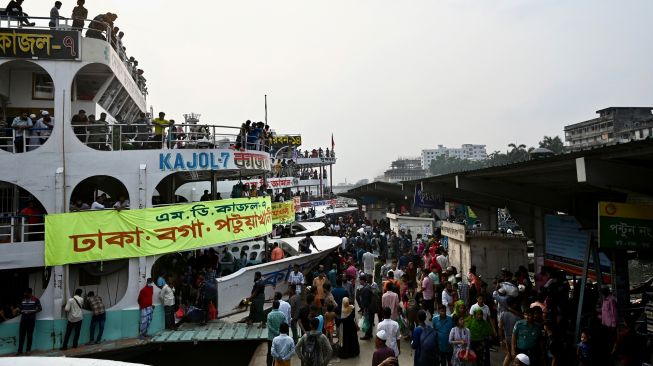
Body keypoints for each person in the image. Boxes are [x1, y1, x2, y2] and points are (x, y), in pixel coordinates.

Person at [16, 288, 41, 355]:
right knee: (21, 336)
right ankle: (19, 351)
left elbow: (40, 308)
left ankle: (28, 350)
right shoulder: (22, 299)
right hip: (23, 319)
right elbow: (20, 307)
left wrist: (32, 312)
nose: (24, 294)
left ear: (30, 293)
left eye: (26, 293)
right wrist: (18, 310)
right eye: (24, 293)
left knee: (29, 336)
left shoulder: (35, 299)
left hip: (31, 320)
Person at [267, 300, 288, 366]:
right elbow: (286, 324)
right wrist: (279, 332)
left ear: (272, 306)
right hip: (280, 337)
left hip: (271, 337)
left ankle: (269, 364)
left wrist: (275, 331)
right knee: (280, 352)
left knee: (270, 353)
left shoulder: (269, 315)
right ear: (278, 306)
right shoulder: (282, 314)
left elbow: (269, 326)